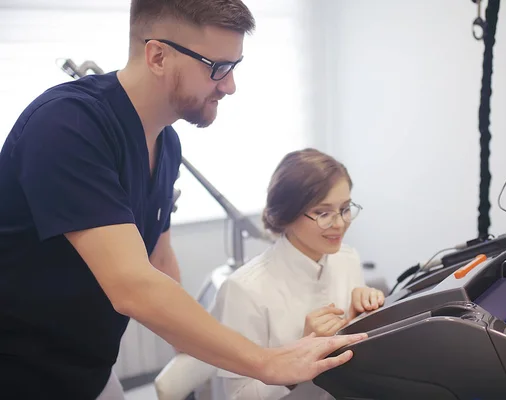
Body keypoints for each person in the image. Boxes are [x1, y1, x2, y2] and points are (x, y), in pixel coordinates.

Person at [0, 1, 366, 399]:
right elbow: (132, 286)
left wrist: (191, 352)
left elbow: (158, 261)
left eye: (234, 68)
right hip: (20, 371)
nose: (229, 86)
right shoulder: (68, 126)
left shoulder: (166, 143)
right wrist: (267, 362)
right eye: (217, 68)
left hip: (89, 370)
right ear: (157, 56)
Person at [211, 148, 386, 400]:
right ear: (286, 213)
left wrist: (366, 318)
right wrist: (301, 355)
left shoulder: (347, 258)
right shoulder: (243, 289)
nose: (339, 223)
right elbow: (238, 395)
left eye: (345, 208)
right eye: (322, 213)